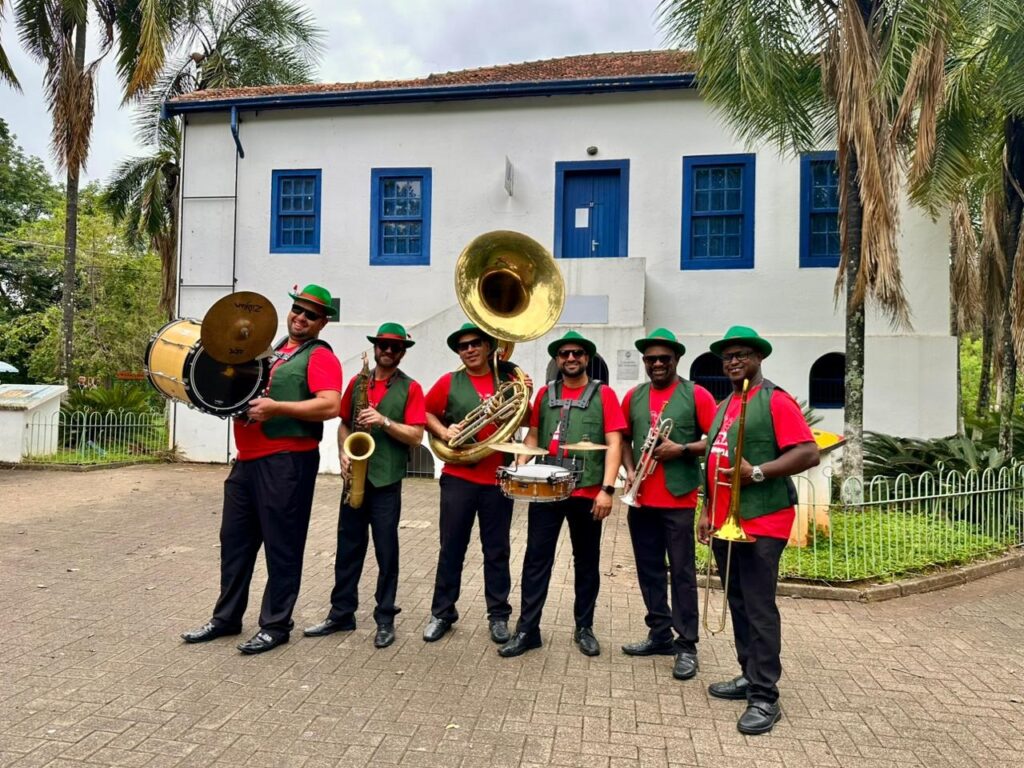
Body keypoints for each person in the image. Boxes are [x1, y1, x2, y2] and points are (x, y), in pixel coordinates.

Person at [181, 284, 343, 655]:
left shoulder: (319, 356)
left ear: (323, 323)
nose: (301, 317)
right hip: (247, 461)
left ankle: (275, 624)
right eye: (297, 310)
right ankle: (226, 619)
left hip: (287, 459)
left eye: (311, 314)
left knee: (282, 546)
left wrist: (277, 408)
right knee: (234, 543)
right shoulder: (268, 351)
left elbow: (330, 405)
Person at [699, 325, 819, 734]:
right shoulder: (726, 403)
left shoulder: (775, 400)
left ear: (758, 358)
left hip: (763, 521)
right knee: (737, 602)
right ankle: (749, 673)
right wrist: (706, 510)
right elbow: (714, 460)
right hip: (724, 521)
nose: (733, 361)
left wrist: (760, 473)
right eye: (728, 356)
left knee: (759, 606)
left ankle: (765, 695)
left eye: (742, 355)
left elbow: (808, 452)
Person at [499, 330, 624, 658]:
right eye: (565, 353)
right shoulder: (543, 393)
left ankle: (584, 627)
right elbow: (534, 436)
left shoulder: (604, 395)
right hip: (547, 491)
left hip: (587, 491)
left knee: (586, 562)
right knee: (536, 560)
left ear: (587, 358)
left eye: (578, 353)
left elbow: (615, 442)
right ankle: (528, 629)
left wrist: (607, 490)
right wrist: (520, 466)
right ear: (557, 359)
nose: (571, 358)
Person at [304, 323, 426, 649]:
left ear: (402, 353)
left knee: (387, 553)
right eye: (382, 345)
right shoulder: (357, 382)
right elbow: (344, 423)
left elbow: (416, 435)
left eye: (394, 347)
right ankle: (341, 613)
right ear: (375, 348)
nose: (387, 351)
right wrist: (345, 451)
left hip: (386, 480)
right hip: (354, 477)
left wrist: (384, 421)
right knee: (347, 550)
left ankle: (385, 618)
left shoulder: (411, 388)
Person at [619, 328, 717, 681]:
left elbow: (717, 441)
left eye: (664, 358)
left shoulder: (697, 395)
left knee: (683, 573)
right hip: (641, 499)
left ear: (677, 360)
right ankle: (659, 634)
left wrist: (682, 449)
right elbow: (624, 439)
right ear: (644, 362)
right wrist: (629, 471)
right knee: (649, 571)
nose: (658, 363)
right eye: (651, 359)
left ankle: (687, 644)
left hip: (679, 498)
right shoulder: (633, 395)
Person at [421, 322, 526, 644]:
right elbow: (424, 412)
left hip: (496, 479)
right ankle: (442, 613)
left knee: (497, 551)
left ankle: (498, 616)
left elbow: (525, 417)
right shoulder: (448, 382)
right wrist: (443, 431)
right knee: (451, 548)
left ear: (488, 346)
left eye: (475, 343)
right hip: (458, 478)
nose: (468, 349)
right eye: (462, 345)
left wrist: (527, 393)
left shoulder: (507, 381)